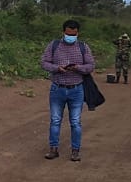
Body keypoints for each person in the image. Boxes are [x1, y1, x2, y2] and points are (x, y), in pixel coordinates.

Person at [39, 19, 95, 162]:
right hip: (57, 88)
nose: (71, 36)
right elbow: (44, 62)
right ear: (63, 32)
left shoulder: (83, 47)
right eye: (69, 34)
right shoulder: (54, 45)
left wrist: (78, 68)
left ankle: (75, 151)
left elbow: (90, 66)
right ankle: (53, 149)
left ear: (78, 33)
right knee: (55, 120)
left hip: (76, 89)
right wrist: (57, 68)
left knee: (75, 121)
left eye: (74, 34)